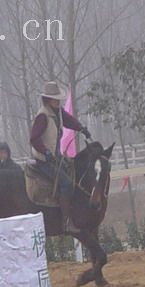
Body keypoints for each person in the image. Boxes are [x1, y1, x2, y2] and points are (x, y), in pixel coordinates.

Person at [30, 81, 91, 233]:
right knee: (66, 183)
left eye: (58, 99)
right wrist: (45, 152)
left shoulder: (57, 112)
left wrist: (81, 128)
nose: (58, 101)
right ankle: (66, 222)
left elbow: (69, 120)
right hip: (44, 159)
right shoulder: (43, 116)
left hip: (55, 156)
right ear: (48, 100)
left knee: (73, 172)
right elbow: (34, 138)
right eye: (55, 99)